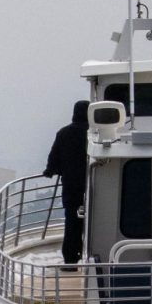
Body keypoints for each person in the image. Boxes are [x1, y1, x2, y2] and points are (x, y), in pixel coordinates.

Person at [41, 100, 91, 265]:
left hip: (71, 185)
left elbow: (53, 156)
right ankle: (92, 254)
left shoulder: (64, 133)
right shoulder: (93, 132)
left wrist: (50, 171)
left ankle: (70, 258)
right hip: (93, 185)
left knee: (72, 221)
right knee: (94, 219)